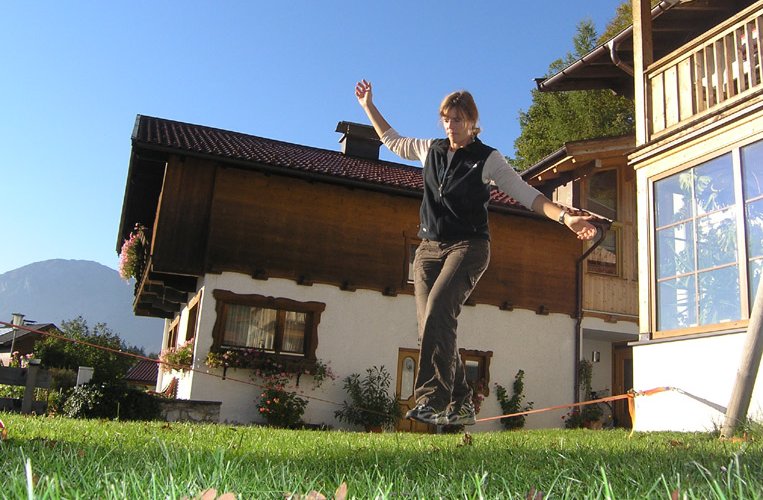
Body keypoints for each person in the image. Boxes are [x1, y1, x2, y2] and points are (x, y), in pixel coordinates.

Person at [354, 79, 598, 426]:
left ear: (472, 122)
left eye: (457, 119)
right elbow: (393, 141)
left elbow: (526, 194)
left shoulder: (488, 159)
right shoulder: (431, 149)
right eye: (446, 119)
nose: (451, 126)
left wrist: (564, 216)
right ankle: (462, 401)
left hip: (468, 247)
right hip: (428, 249)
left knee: (439, 311)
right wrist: (368, 107)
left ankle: (432, 399)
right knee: (430, 327)